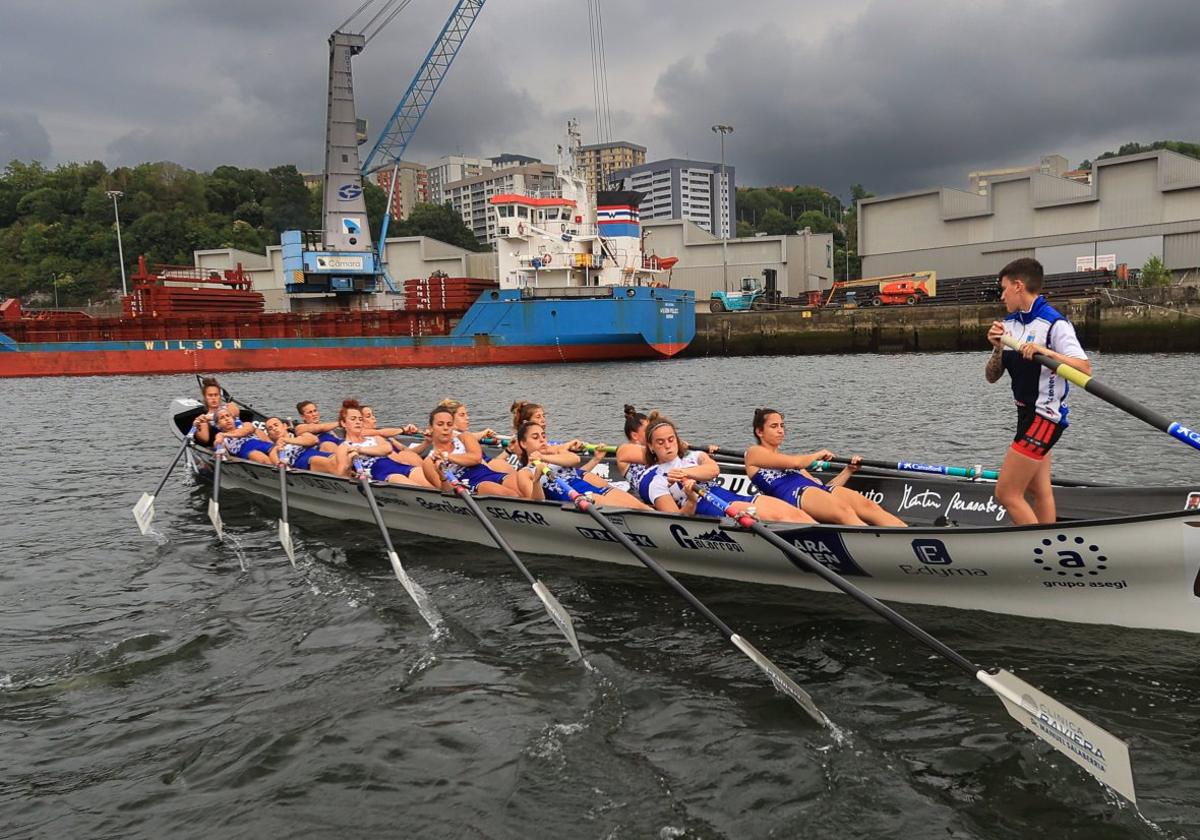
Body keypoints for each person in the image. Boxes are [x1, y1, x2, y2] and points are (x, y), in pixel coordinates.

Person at [986, 257, 1091, 525]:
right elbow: (991, 377)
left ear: (1018, 286)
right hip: (1025, 415)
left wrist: (1046, 352)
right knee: (1038, 490)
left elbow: (1084, 368)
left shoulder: (1055, 324)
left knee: (1007, 492)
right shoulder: (1009, 324)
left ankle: (1040, 554)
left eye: (1004, 288)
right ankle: (1051, 547)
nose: (1002, 295)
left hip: (1045, 418)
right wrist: (998, 347)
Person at [640, 412, 814, 523]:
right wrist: (691, 500)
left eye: (671, 439)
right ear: (651, 446)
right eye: (660, 442)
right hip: (712, 509)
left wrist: (684, 472)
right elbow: (676, 521)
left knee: (795, 514)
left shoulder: (693, 456)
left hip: (733, 497)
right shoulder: (657, 481)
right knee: (779, 517)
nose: (668, 446)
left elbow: (713, 470)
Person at [745, 409, 907, 526]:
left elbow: (822, 488)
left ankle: (903, 534)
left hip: (811, 491)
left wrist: (848, 470)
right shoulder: (754, 453)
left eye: (782, 425)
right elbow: (797, 463)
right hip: (794, 497)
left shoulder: (789, 460)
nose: (781, 430)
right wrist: (817, 454)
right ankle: (875, 546)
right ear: (760, 432)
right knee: (843, 510)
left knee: (869, 507)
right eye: (774, 426)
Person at [512, 420, 650, 509]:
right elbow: (538, 502)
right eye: (535, 437)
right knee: (600, 499)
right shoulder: (524, 472)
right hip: (577, 501)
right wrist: (536, 479)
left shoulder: (555, 455)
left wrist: (544, 456)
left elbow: (574, 459)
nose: (542, 440)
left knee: (643, 508)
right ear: (523, 444)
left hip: (595, 491)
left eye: (543, 435)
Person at [425, 400, 519, 496]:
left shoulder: (465, 437)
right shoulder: (429, 462)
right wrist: (442, 476)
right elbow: (447, 492)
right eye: (440, 424)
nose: (445, 428)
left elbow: (476, 459)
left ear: (453, 426)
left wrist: (447, 456)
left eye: (449, 424)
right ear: (431, 428)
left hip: (487, 473)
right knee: (492, 488)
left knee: (516, 483)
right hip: (469, 483)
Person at [334, 399, 428, 485]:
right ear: (343, 423)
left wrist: (359, 449)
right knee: (417, 487)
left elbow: (387, 449)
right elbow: (340, 475)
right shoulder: (344, 447)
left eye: (360, 419)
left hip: (401, 467)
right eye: (353, 419)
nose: (358, 422)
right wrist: (348, 465)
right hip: (384, 474)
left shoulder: (375, 438)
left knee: (430, 483)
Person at [193, 377, 240, 446]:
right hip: (230, 442)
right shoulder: (204, 419)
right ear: (205, 397)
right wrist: (196, 427)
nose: (213, 398)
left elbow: (235, 413)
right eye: (210, 395)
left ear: (220, 396)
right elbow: (205, 439)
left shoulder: (230, 406)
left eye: (216, 395)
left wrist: (212, 417)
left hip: (245, 434)